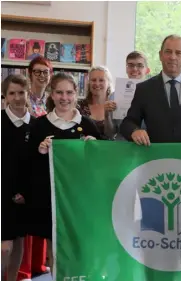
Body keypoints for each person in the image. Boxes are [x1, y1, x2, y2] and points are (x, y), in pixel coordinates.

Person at [27, 73, 100, 274]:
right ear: (51, 94)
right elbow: (28, 162)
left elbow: (101, 165)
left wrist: (95, 149)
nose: (64, 97)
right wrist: (40, 150)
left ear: (76, 94)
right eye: (59, 92)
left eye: (69, 92)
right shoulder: (40, 125)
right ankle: (56, 276)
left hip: (80, 197)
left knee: (80, 241)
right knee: (54, 242)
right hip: (50, 197)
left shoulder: (87, 125)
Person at [19, 56, 52, 281]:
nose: (41, 75)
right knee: (26, 216)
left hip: (45, 160)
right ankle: (24, 269)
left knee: (42, 212)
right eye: (37, 71)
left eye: (45, 72)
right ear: (29, 73)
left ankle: (40, 264)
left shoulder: (51, 101)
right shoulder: (22, 98)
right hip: (25, 157)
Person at [1, 75, 35, 281]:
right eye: (11, 93)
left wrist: (27, 192)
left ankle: (12, 278)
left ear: (27, 93)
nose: (17, 98)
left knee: (19, 243)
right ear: (4, 96)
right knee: (5, 247)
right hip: (2, 191)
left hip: (24, 195)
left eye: (21, 92)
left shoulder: (36, 125)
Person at [77, 66, 117, 140]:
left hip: (110, 150)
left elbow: (114, 135)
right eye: (93, 80)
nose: (97, 83)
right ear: (89, 82)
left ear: (108, 83)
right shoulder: (79, 106)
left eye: (101, 80)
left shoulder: (115, 106)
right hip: (85, 149)